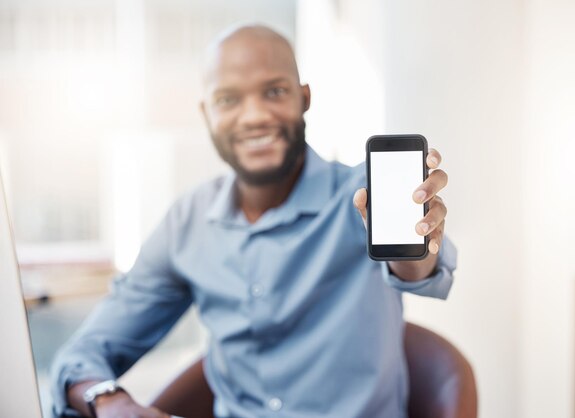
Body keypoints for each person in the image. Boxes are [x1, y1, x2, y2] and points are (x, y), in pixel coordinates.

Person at [51, 24, 456, 418]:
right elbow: (84, 355)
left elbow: (419, 269)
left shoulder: (362, 195)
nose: (254, 116)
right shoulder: (187, 223)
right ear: (206, 112)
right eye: (228, 99)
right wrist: (110, 401)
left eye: (275, 92)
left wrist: (420, 244)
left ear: (305, 98)